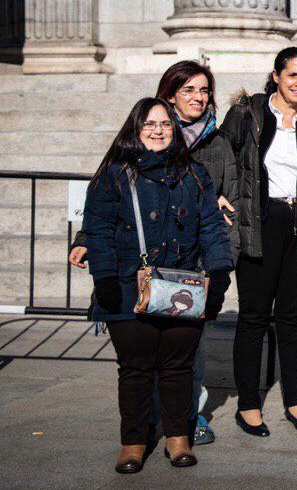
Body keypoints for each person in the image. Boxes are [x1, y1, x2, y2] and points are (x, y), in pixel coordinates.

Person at [70, 60, 239, 446]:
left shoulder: (211, 149)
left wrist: (220, 270)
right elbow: (100, 220)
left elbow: (218, 215)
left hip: (185, 270)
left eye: (205, 90)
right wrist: (100, 267)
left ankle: (182, 428)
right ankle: (137, 435)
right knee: (137, 365)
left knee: (182, 363)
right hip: (135, 275)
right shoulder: (119, 166)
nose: (198, 97)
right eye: (189, 90)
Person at [222, 47, 297, 438]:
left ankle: (295, 400)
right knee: (254, 316)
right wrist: (221, 197)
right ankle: (249, 404)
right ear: (276, 76)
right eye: (292, 75)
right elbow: (222, 160)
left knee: (291, 318)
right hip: (259, 220)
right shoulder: (248, 114)